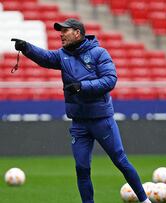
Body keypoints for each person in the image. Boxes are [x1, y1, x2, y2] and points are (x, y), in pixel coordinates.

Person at [11, 18, 151, 203]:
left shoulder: (99, 53)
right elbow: (45, 58)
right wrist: (26, 47)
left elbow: (110, 80)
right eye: (60, 31)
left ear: (77, 33)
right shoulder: (62, 55)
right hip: (79, 123)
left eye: (65, 31)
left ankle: (144, 200)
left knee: (120, 161)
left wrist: (82, 86)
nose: (60, 34)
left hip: (102, 120)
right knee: (82, 168)